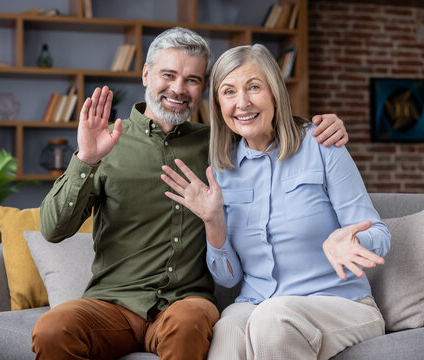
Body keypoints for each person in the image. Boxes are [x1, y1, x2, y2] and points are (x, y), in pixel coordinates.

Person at [33, 27, 349, 360]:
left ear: (203, 89)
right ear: (145, 74)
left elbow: (265, 123)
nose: (179, 89)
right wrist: (86, 159)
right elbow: (53, 230)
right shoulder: (106, 144)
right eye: (168, 75)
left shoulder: (221, 143)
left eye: (193, 80)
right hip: (114, 304)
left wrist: (322, 128)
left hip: (186, 304)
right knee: (52, 330)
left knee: (188, 322)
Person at [160, 43, 391, 360]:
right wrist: (213, 222)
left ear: (274, 93)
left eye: (254, 87)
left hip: (340, 303)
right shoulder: (222, 170)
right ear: (217, 103)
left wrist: (353, 240)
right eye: (229, 92)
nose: (242, 103)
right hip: (257, 301)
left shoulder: (321, 144)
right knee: (227, 331)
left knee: (273, 318)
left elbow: (379, 233)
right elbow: (229, 278)